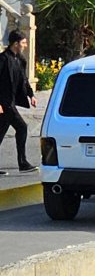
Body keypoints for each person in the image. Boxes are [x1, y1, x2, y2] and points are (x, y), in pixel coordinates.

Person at [0, 30, 36, 176]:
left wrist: (31, 94)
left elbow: (23, 79)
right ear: (15, 44)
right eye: (23, 43)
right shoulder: (3, 59)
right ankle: (23, 163)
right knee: (22, 127)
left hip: (11, 101)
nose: (25, 45)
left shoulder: (19, 59)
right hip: (4, 102)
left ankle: (23, 162)